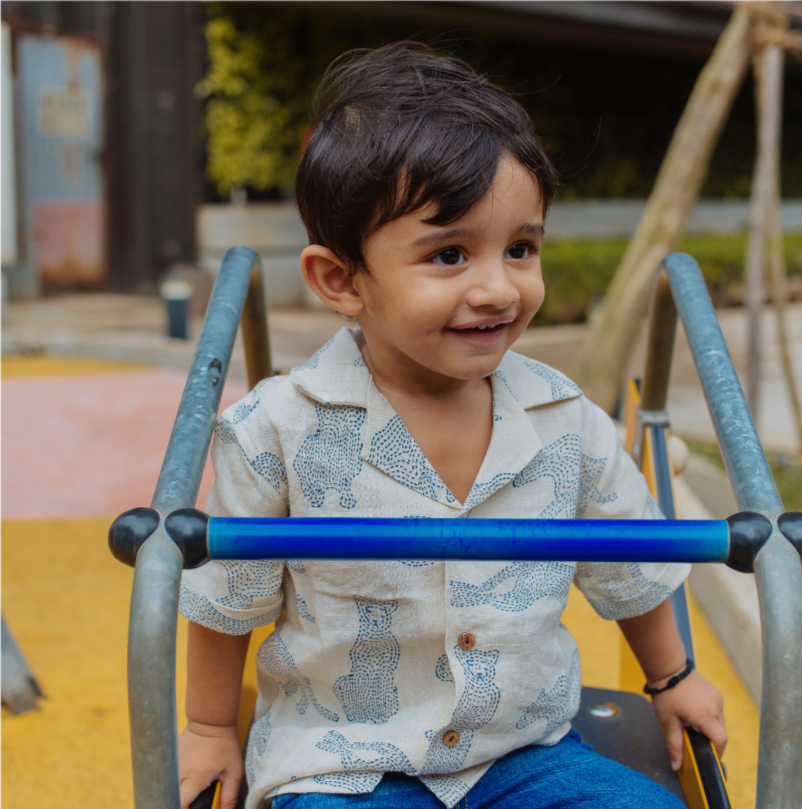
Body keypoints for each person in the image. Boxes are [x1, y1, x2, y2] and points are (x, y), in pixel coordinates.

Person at [178, 42, 726, 809]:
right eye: (449, 254)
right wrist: (208, 727)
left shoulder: (563, 418)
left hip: (523, 749)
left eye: (521, 247)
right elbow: (224, 594)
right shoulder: (277, 429)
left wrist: (672, 677)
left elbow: (630, 561)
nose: (498, 287)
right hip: (346, 759)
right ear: (341, 280)